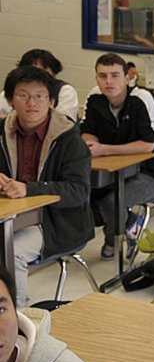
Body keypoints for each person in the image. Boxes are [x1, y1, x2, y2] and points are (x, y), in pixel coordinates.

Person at [0, 67, 94, 307]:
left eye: (40, 96)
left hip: (55, 221)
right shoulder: (1, 133)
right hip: (9, 215)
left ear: (51, 101)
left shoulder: (70, 139)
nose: (32, 103)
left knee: (13, 250)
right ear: (10, 100)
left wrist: (29, 188)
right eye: (23, 95)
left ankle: (17, 321)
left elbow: (78, 191)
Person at [80, 53, 154, 260]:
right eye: (102, 76)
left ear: (128, 78)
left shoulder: (142, 99)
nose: (108, 81)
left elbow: (148, 145)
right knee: (84, 202)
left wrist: (104, 149)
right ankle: (131, 223)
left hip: (148, 173)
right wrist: (91, 144)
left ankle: (112, 241)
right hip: (109, 171)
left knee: (112, 203)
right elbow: (87, 130)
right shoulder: (94, 96)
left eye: (115, 75)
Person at [0, 49, 79, 122]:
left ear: (54, 74)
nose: (37, 76)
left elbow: (64, 122)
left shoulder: (65, 91)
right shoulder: (14, 89)